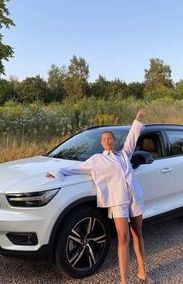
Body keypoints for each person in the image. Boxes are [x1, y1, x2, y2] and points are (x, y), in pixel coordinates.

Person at [46, 108, 156, 284]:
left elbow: (132, 137)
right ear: (102, 142)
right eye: (104, 139)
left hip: (134, 197)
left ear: (114, 141)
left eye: (110, 138)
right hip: (118, 201)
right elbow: (76, 168)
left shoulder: (124, 154)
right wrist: (56, 172)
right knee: (123, 238)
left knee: (138, 233)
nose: (107, 141)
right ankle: (123, 280)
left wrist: (136, 119)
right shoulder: (97, 160)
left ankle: (143, 272)